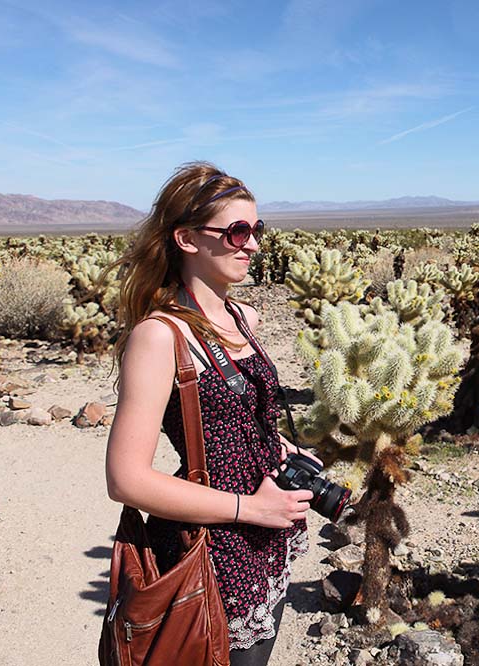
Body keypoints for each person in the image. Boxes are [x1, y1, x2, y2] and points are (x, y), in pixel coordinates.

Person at [105, 162, 316, 666]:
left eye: (257, 230)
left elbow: (235, 418)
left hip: (267, 538)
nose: (253, 244)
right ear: (186, 239)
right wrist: (251, 509)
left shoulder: (241, 316)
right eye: (237, 231)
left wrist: (277, 448)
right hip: (213, 547)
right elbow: (125, 479)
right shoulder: (160, 336)